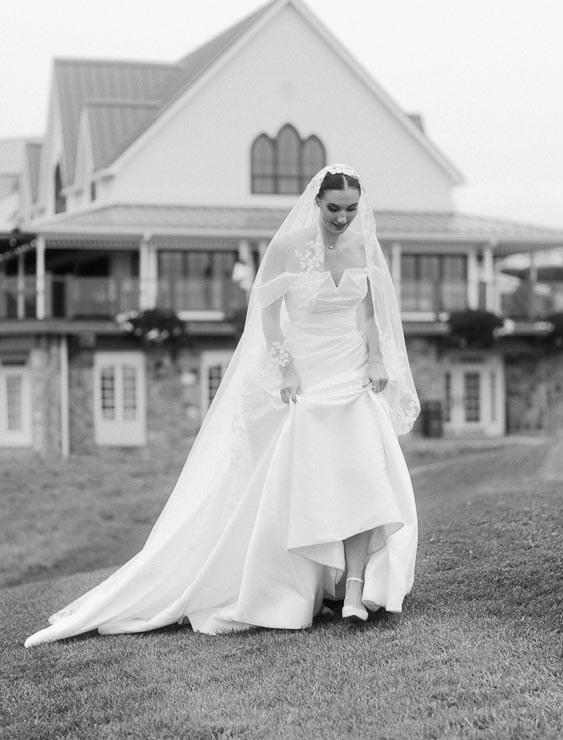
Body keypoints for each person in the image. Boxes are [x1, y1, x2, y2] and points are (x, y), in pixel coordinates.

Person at [24, 164, 419, 646]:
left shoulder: (364, 246)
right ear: (316, 202)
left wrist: (377, 358)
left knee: (362, 476)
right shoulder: (286, 249)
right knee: (317, 481)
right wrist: (287, 368)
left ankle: (355, 589)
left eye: (351, 210)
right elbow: (269, 318)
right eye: (334, 209)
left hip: (352, 372)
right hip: (310, 375)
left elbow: (372, 312)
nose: (342, 218)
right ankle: (300, 582)